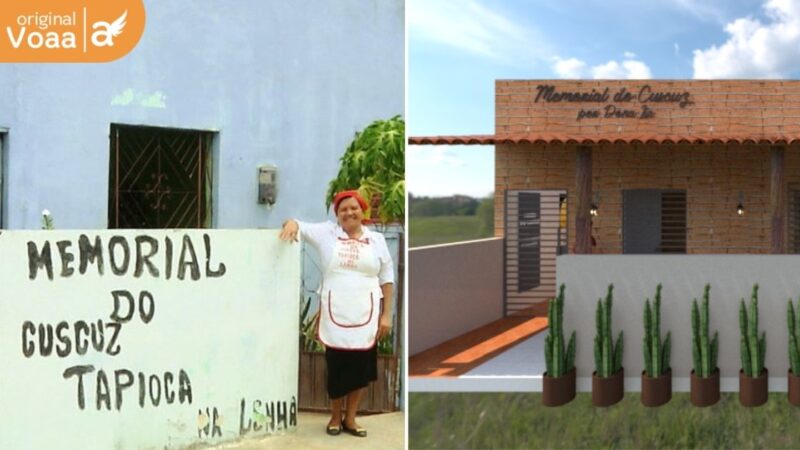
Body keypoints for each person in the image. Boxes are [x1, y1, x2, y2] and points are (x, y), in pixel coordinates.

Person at [279, 190, 394, 438]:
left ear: (362, 211)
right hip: (336, 311)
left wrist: (387, 315)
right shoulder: (327, 233)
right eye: (343, 209)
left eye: (353, 208)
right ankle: (334, 416)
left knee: (361, 369)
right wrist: (290, 224)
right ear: (337, 215)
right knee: (337, 367)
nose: (349, 212)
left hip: (367, 311)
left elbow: (387, 278)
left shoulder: (376, 240)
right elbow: (299, 225)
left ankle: (351, 419)